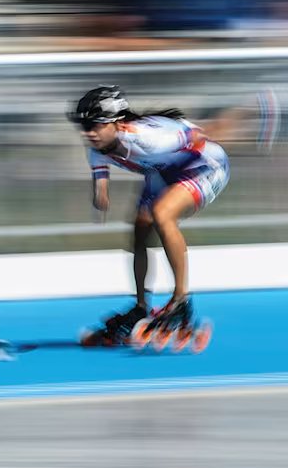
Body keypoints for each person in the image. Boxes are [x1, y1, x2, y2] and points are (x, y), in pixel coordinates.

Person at [69, 85, 225, 350]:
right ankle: (141, 306)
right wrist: (100, 193)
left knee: (162, 214)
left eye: (95, 125)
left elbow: (200, 136)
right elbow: (99, 173)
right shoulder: (96, 147)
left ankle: (180, 299)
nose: (89, 133)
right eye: (84, 127)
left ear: (117, 123)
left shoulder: (150, 138)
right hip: (162, 172)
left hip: (204, 166)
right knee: (139, 229)